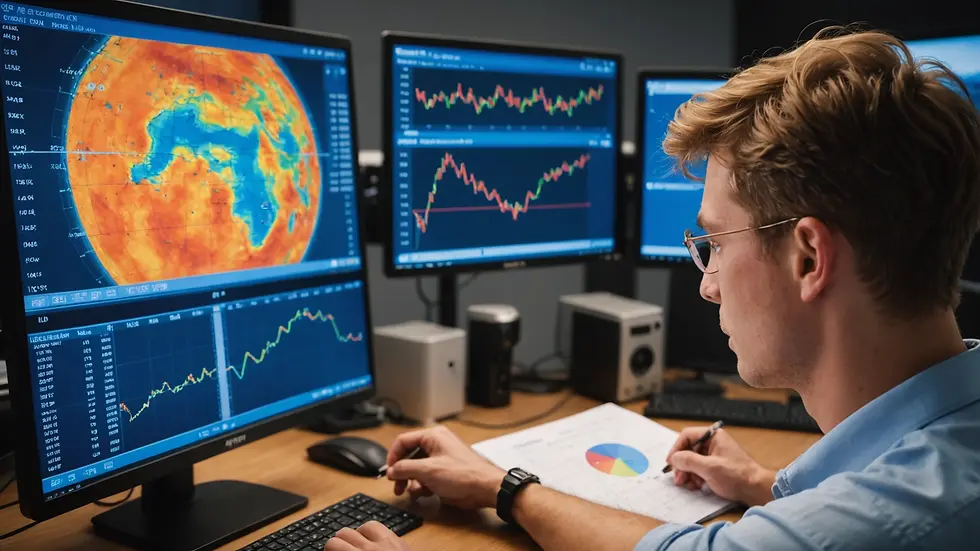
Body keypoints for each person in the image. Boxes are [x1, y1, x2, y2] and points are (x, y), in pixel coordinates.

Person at [324, 26, 980, 551]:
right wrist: (757, 485)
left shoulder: (876, 525)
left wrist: (504, 488)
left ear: (809, 257)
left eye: (716, 245)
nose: (708, 287)